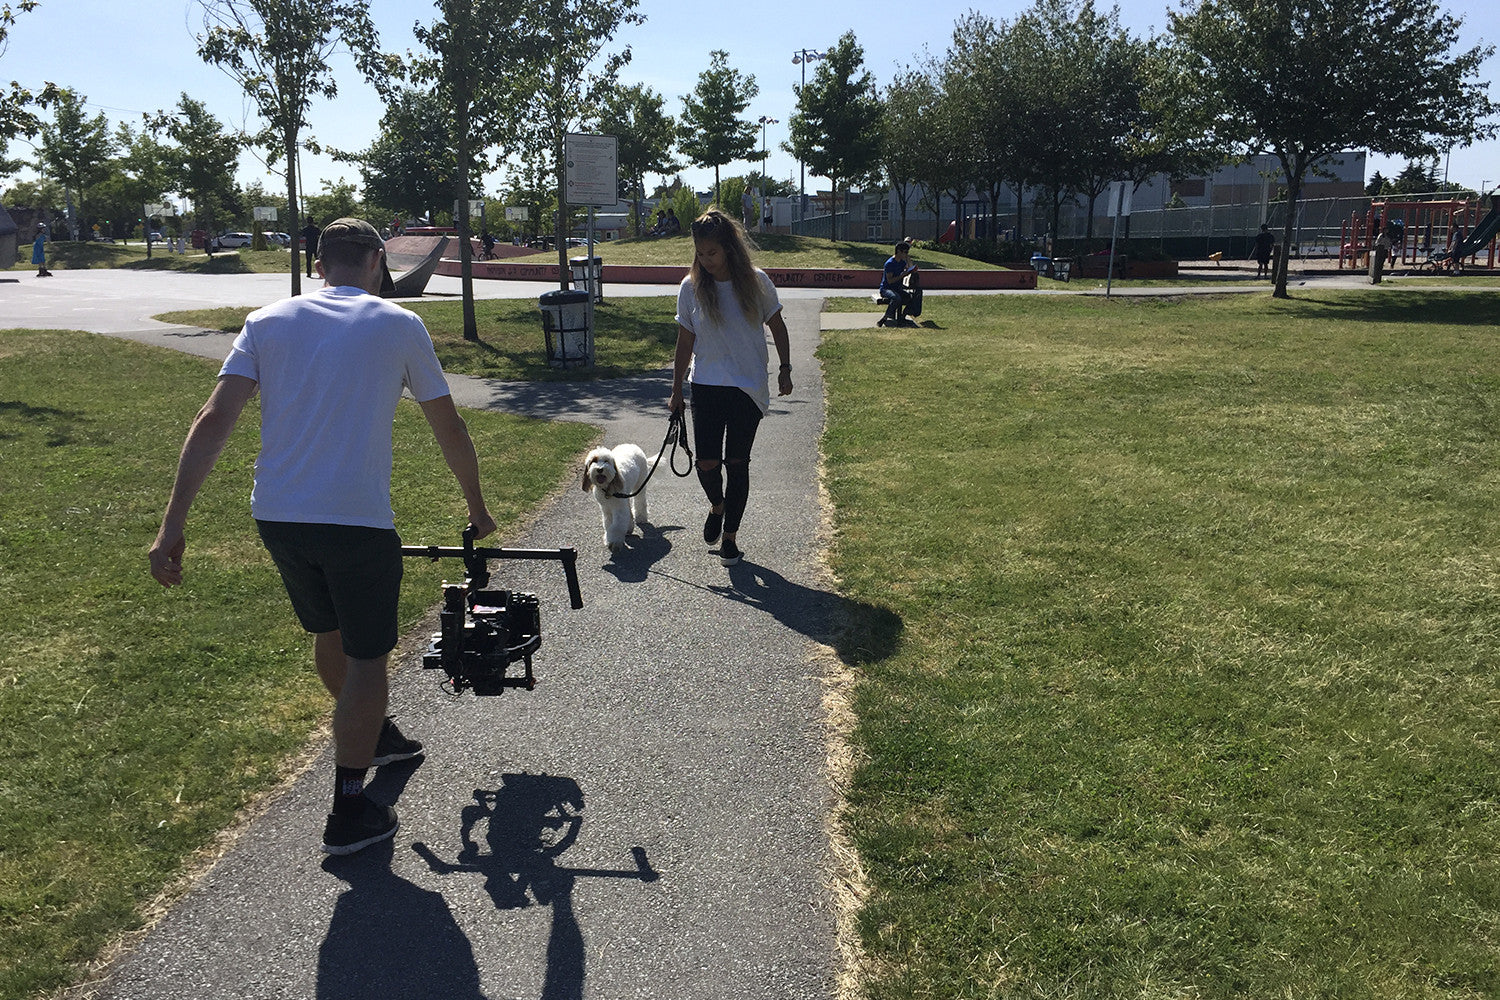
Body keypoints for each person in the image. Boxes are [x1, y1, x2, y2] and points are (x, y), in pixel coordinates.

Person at [148, 217, 497, 856]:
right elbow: (450, 428)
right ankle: (349, 811)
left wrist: (173, 524)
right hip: (356, 521)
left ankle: (375, 737)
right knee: (368, 659)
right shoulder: (400, 324)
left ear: (317, 263)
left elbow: (213, 419)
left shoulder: (267, 321)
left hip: (278, 516)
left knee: (329, 634)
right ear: (374, 263)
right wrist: (476, 506)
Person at [668, 208, 792, 567]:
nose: (706, 261)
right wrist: (676, 389)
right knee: (706, 464)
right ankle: (717, 505)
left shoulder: (756, 282)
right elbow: (684, 340)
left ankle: (730, 539)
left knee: (737, 463)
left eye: (713, 253)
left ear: (729, 249)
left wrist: (785, 369)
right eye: (701, 254)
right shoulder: (690, 287)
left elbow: (778, 326)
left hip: (747, 387)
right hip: (706, 385)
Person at [878, 241, 918, 327]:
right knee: (896, 298)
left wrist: (909, 263)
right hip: (886, 289)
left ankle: (902, 317)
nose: (906, 254)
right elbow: (890, 281)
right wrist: (902, 275)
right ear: (899, 251)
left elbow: (909, 267)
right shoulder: (890, 263)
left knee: (909, 297)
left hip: (896, 288)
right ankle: (885, 318)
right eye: (905, 252)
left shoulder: (902, 262)